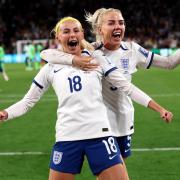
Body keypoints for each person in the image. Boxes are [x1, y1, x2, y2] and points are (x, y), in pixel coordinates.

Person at [0, 17, 173, 180]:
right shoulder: (50, 67)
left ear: (82, 34)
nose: (72, 34)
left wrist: (158, 108)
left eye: (76, 30)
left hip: (100, 134)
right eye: (66, 31)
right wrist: (6, 113)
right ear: (58, 37)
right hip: (67, 136)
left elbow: (126, 86)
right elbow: (28, 101)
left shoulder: (96, 59)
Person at [40, 8, 180, 161]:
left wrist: (159, 109)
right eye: (111, 23)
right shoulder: (91, 50)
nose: (118, 27)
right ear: (100, 29)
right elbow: (47, 54)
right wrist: (74, 60)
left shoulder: (133, 50)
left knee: (117, 171)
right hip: (99, 124)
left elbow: (169, 63)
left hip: (123, 120)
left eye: (121, 23)